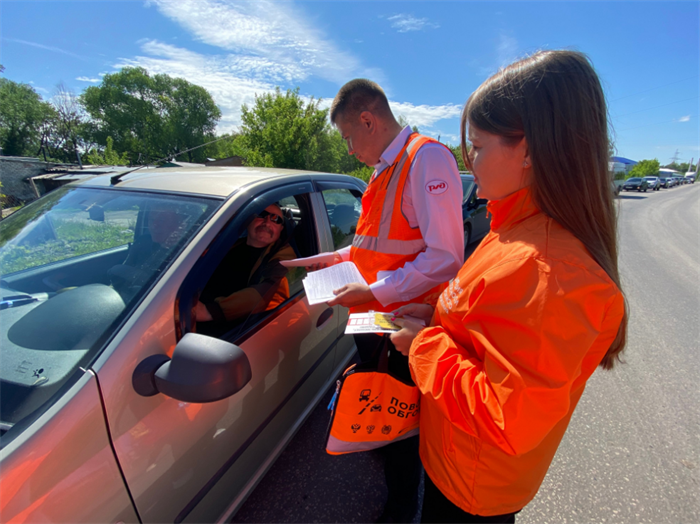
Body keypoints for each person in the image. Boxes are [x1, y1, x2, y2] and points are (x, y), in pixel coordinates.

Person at [390, 50, 628, 523]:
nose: (468, 159)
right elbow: (486, 321)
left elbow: (507, 419)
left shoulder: (553, 273)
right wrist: (435, 317)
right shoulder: (511, 226)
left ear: (530, 150)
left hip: (472, 488)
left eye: (476, 146)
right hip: (453, 460)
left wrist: (424, 345)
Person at [325, 79, 465, 524]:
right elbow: (373, 245)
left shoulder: (426, 158)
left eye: (348, 136)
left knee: (403, 417)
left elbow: (445, 257)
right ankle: (387, 458)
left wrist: (374, 292)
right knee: (380, 398)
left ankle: (402, 508)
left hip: (403, 320)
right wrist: (325, 259)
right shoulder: (385, 167)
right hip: (373, 315)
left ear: (368, 120)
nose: (348, 149)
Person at [194, 204, 295, 329]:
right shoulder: (226, 245)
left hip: (232, 328)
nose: (267, 222)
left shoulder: (284, 255)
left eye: (275, 219)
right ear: (248, 221)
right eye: (261, 215)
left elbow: (272, 289)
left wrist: (210, 311)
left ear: (281, 228)